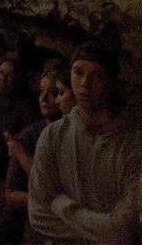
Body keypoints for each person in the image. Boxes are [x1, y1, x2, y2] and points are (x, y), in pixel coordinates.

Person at [28, 42, 141, 243]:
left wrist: (62, 205)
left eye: (97, 76)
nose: (84, 83)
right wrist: (101, 233)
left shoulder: (131, 144)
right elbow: (38, 213)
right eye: (78, 72)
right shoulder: (53, 136)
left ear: (110, 83)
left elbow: (126, 227)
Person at [0, 62, 65, 243]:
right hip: (34, 227)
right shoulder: (29, 136)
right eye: (41, 91)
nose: (44, 99)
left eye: (53, 93)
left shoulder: (71, 135)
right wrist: (45, 204)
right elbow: (10, 194)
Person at [0, 55, 37, 181]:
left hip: (5, 174)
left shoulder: (24, 109)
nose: (3, 78)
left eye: (10, 76)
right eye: (1, 72)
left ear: (18, 80)